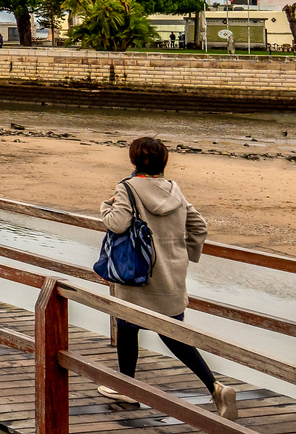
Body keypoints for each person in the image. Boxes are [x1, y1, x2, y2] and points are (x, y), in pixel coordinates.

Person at [99, 136, 236, 419]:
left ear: (134, 161)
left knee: (128, 327)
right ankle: (213, 386)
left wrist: (106, 204)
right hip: (171, 278)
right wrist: (183, 255)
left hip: (139, 275)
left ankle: (129, 386)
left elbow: (117, 222)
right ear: (164, 161)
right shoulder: (174, 190)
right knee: (173, 332)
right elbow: (199, 226)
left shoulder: (127, 187)